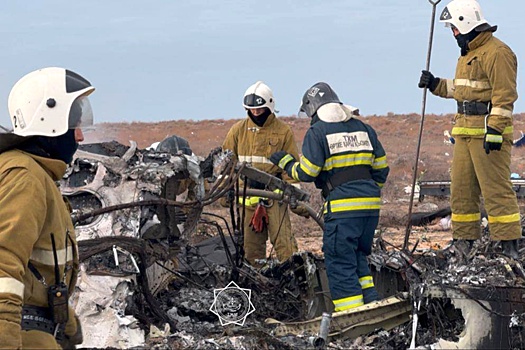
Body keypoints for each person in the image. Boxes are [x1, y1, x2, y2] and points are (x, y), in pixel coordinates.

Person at [270, 82, 389, 311]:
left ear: (312, 109)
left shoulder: (318, 132)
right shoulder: (364, 129)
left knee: (340, 262)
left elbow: (308, 172)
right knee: (357, 258)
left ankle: (352, 317)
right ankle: (373, 305)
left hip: (343, 210)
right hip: (370, 209)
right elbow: (381, 169)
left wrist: (286, 162)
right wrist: (367, 193)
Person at [0, 67, 95, 348]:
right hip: (22, 336)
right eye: (74, 125)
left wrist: (65, 319)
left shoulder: (34, 174)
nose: (79, 137)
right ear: (50, 120)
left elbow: (37, 272)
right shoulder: (25, 176)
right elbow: (4, 260)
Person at [418, 0, 521, 258]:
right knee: (462, 190)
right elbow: (461, 90)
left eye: (454, 28)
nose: (453, 33)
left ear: (466, 23)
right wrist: (435, 84)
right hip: (464, 132)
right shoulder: (467, 55)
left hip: (487, 134)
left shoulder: (498, 53)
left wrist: (496, 129)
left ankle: (508, 244)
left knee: (496, 189)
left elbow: (504, 95)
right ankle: (464, 241)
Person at [222, 81, 304, 266]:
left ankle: (295, 283)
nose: (256, 113)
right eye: (252, 110)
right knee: (250, 252)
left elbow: (290, 169)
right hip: (247, 201)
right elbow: (226, 163)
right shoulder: (238, 131)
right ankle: (257, 289)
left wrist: (295, 199)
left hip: (274, 199)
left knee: (285, 247)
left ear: (269, 106)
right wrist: (224, 192)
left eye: (260, 108)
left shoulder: (283, 131)